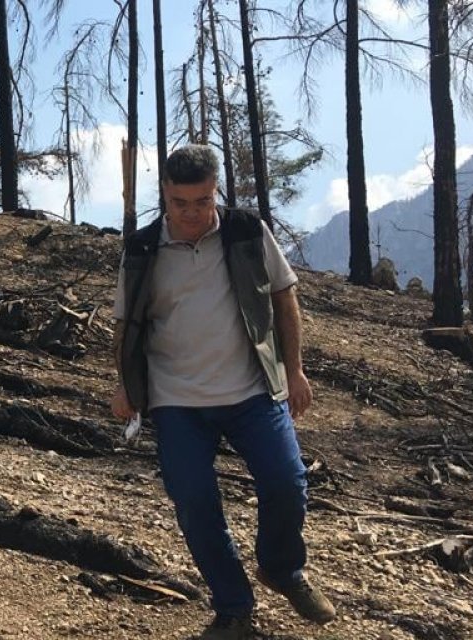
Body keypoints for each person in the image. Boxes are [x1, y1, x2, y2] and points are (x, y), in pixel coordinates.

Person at [111, 145, 336, 639]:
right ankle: (233, 606)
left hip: (253, 390)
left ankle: (281, 568)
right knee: (194, 503)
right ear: (164, 197)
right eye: (180, 203)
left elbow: (283, 295)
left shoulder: (245, 231)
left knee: (287, 483)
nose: (192, 213)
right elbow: (126, 324)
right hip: (176, 400)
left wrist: (293, 370)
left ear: (216, 192)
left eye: (202, 200)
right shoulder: (141, 249)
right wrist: (126, 387)